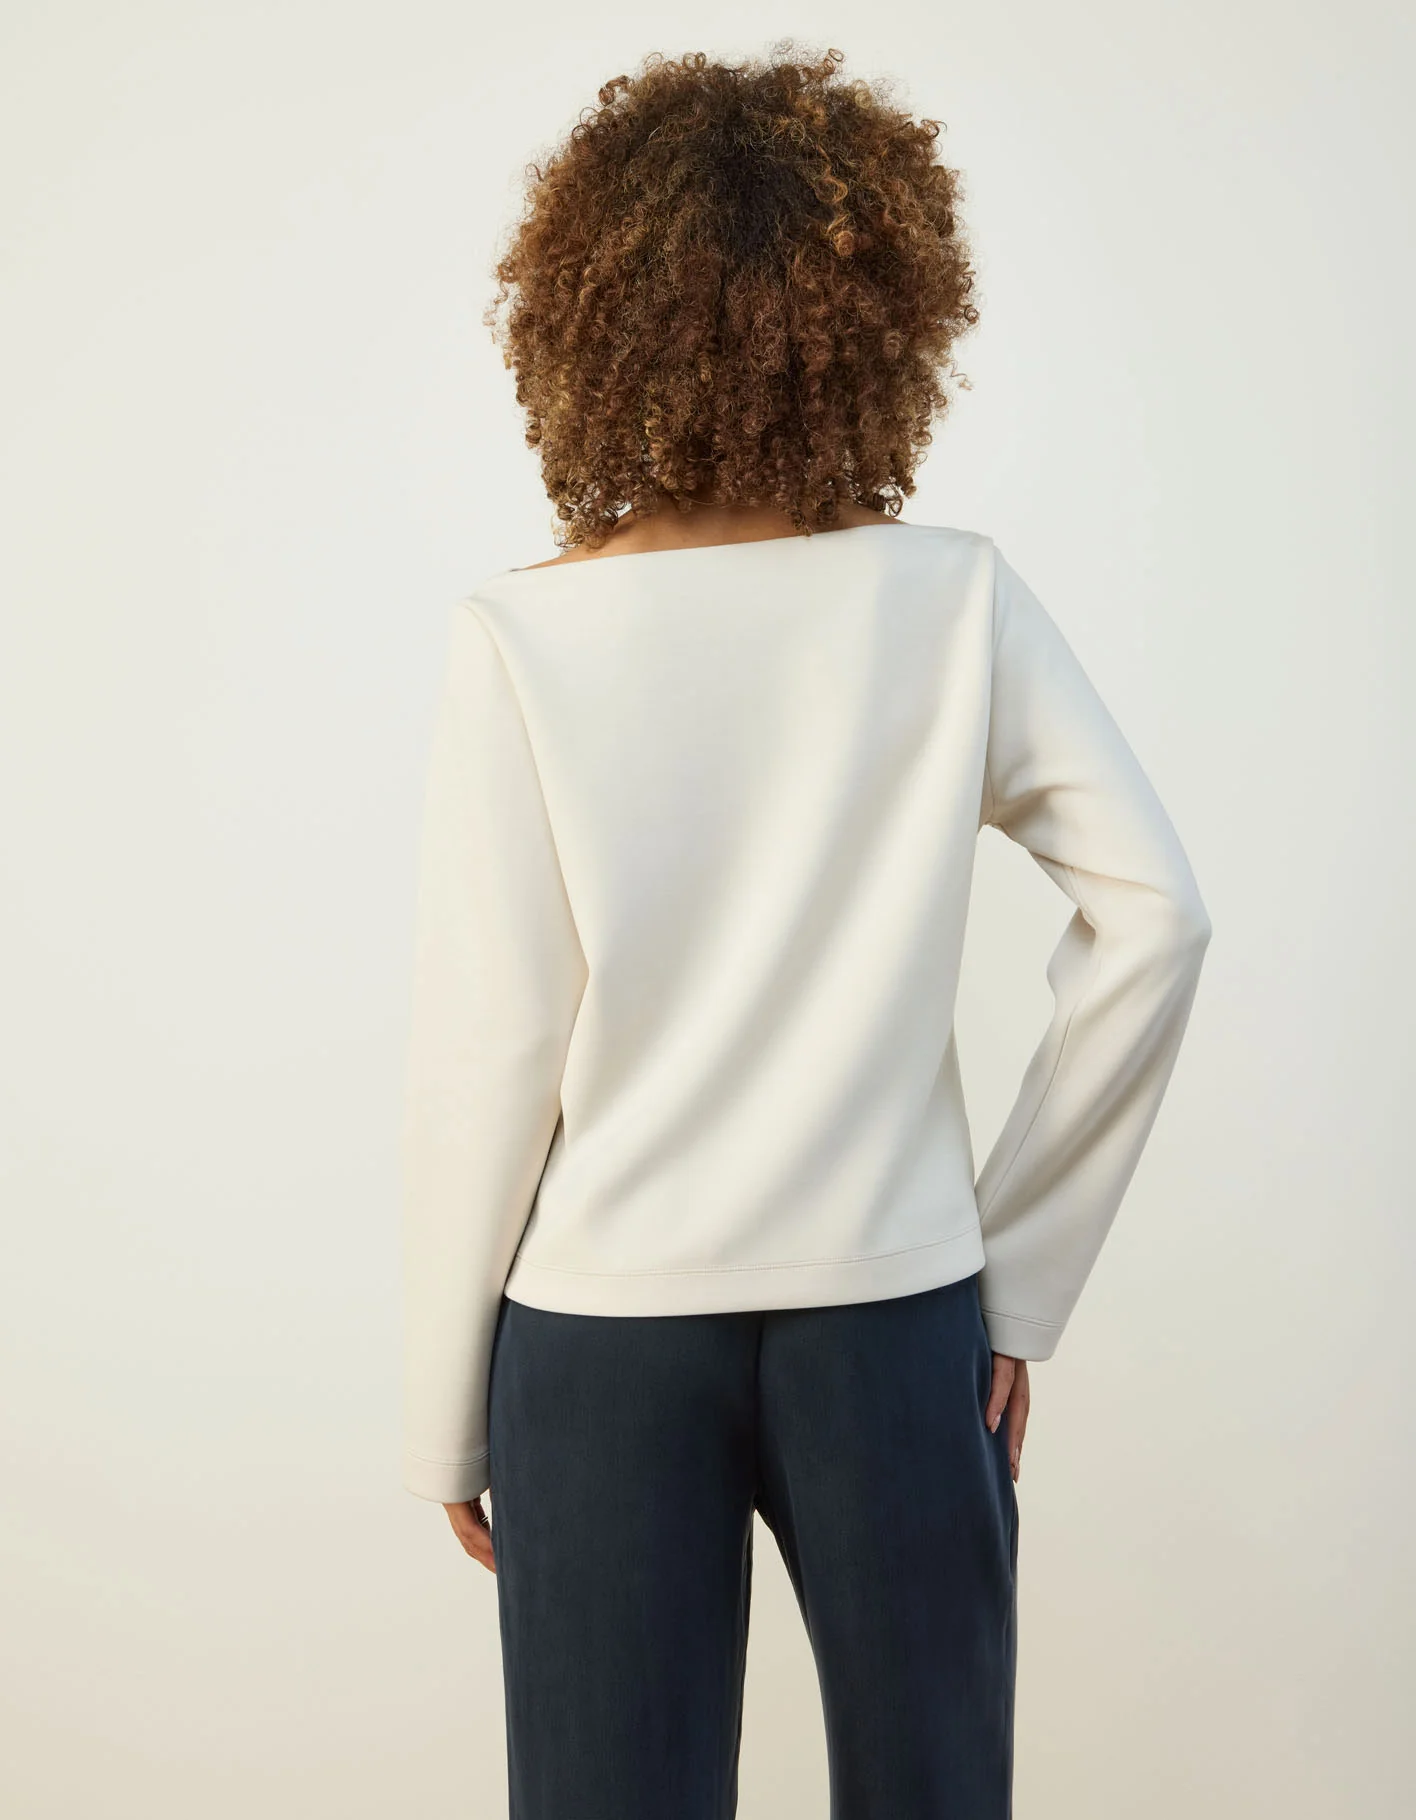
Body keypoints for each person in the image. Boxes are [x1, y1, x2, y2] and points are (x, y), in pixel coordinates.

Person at [397, 44, 1212, 1820]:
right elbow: (1157, 914)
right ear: (881, 317)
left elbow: (495, 1048)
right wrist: (1020, 1276)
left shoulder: (523, 642)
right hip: (895, 1320)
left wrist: (442, 1403)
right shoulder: (954, 600)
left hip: (602, 1336)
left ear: (592, 319)